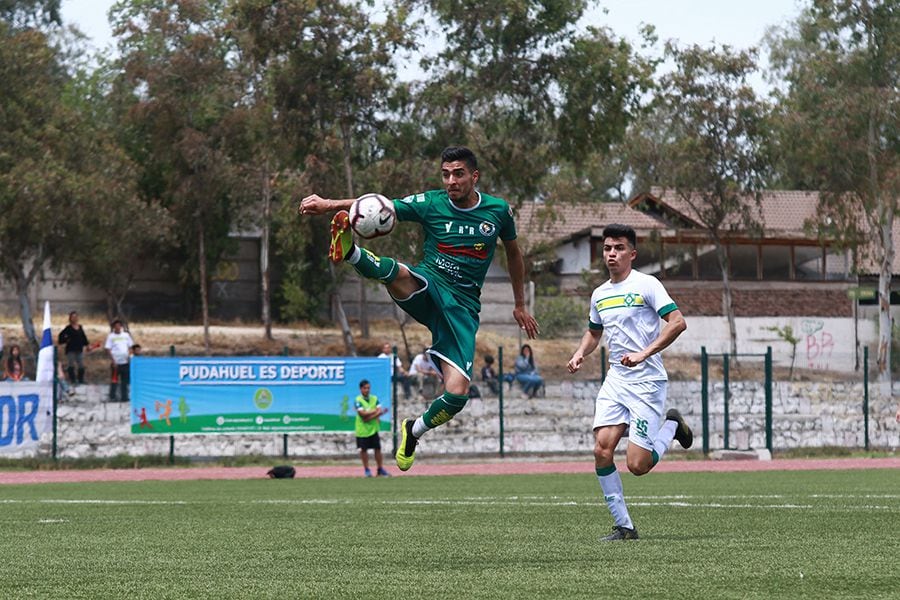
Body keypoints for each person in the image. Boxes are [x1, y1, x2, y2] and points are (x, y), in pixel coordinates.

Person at [300, 146, 539, 472]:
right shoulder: (431, 203)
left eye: (458, 174)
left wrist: (520, 304)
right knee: (398, 274)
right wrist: (328, 205)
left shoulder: (498, 212)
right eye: (445, 174)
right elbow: (379, 205)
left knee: (457, 395)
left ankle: (413, 431)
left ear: (474, 176)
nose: (451, 181)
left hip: (463, 308)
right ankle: (351, 252)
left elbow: (513, 254)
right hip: (430, 284)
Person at [566, 224, 692, 542]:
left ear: (632, 254)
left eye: (619, 248)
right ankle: (624, 527)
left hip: (647, 381)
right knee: (601, 450)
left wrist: (644, 353)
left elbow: (678, 322)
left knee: (637, 465)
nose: (612, 253)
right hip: (616, 381)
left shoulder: (647, 285)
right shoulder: (600, 294)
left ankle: (672, 427)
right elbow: (594, 332)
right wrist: (581, 352)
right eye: (608, 248)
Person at [354, 379, 390, 477]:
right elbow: (362, 414)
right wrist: (375, 412)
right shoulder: (358, 400)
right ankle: (366, 470)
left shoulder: (374, 398)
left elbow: (377, 411)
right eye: (365, 388)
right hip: (362, 430)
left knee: (377, 449)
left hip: (373, 429)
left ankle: (380, 469)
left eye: (368, 388)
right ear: (361, 389)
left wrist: (369, 416)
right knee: (363, 450)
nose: (367, 390)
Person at [105, 320, 134, 402]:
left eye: (119, 326)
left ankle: (124, 397)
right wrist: (113, 360)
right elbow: (108, 349)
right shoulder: (111, 336)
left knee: (125, 381)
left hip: (125, 362)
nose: (117, 327)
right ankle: (112, 396)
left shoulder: (126, 335)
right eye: (116, 326)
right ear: (114, 327)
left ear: (121, 327)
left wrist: (130, 357)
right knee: (114, 380)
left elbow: (130, 347)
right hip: (116, 362)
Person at [58, 310, 90, 384]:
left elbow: (83, 337)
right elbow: (61, 337)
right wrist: (66, 340)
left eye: (76, 317)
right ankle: (73, 380)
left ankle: (80, 380)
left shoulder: (80, 327)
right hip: (71, 349)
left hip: (79, 349)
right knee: (71, 365)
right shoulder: (68, 328)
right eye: (73, 317)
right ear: (70, 318)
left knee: (81, 365)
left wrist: (87, 345)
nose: (74, 318)